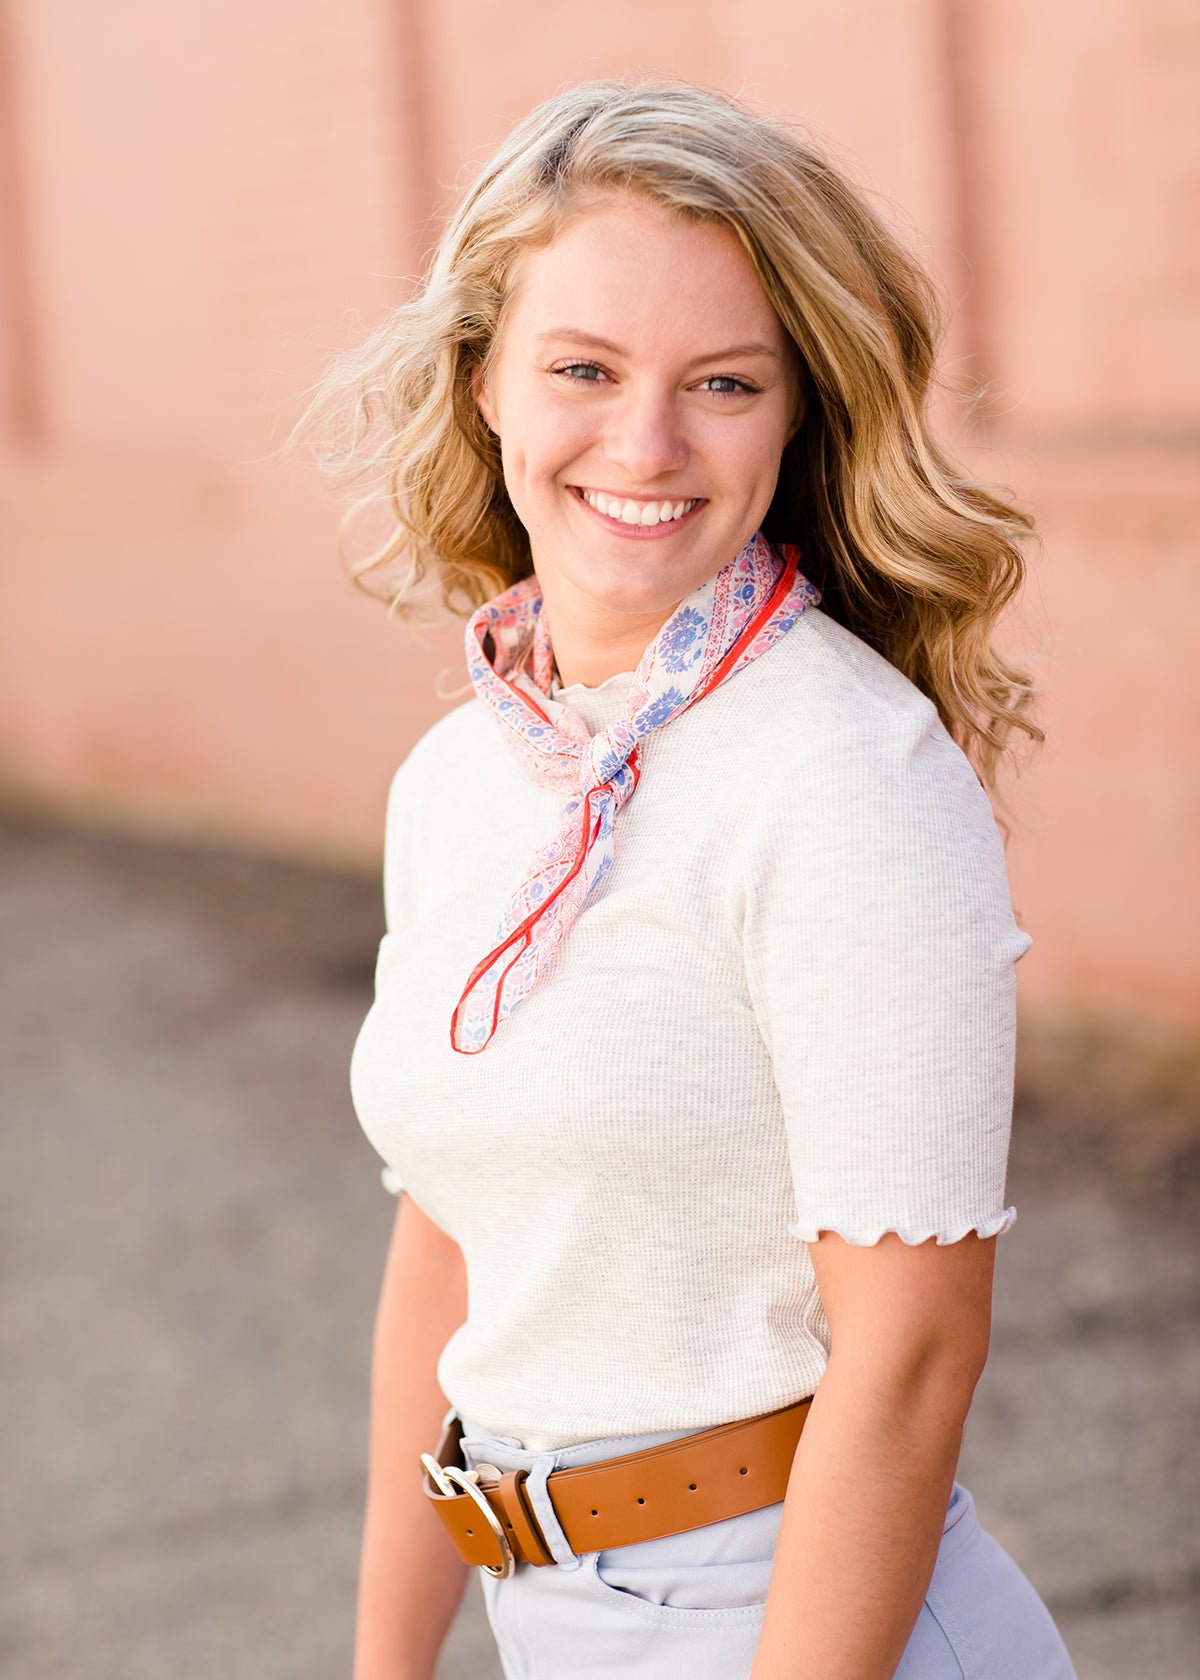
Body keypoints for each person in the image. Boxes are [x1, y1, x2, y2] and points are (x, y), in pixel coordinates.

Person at [303, 78, 1078, 1680]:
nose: (644, 446)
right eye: (582, 368)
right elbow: (449, 1249)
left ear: (799, 414)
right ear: (487, 384)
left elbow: (914, 1360)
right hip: (553, 1614)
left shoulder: (844, 776)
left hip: (794, 1616)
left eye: (724, 383)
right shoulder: (462, 779)